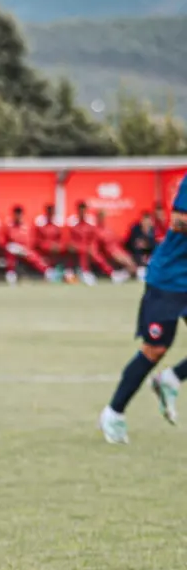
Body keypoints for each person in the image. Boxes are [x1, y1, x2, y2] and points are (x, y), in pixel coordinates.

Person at [100, 176, 187, 443]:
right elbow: (179, 222)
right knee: (155, 348)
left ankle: (171, 379)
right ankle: (113, 413)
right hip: (169, 279)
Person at [2, 205, 56, 284]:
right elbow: (4, 241)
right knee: (11, 251)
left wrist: (25, 249)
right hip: (13, 250)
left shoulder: (27, 226)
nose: (18, 215)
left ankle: (47, 271)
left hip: (25, 250)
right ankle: (11, 274)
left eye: (19, 213)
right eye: (16, 213)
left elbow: (31, 240)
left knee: (33, 255)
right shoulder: (9, 226)